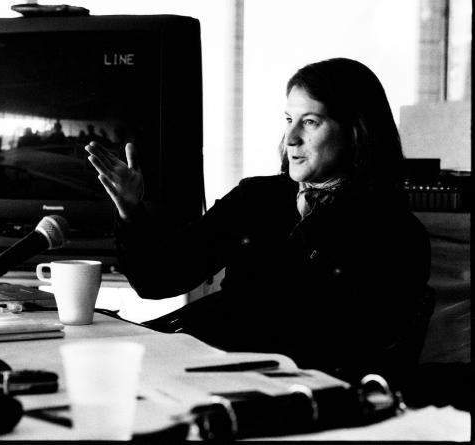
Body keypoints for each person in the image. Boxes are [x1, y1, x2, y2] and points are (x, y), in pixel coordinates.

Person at [85, 58, 432, 387]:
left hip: (268, 391)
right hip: (196, 359)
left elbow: (348, 353)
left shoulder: (395, 234)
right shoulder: (256, 197)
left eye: (310, 121)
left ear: (356, 131)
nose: (291, 137)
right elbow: (157, 279)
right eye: (288, 119)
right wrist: (131, 211)